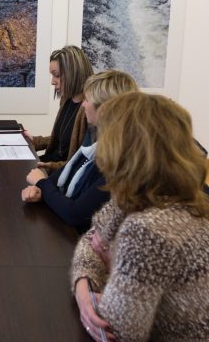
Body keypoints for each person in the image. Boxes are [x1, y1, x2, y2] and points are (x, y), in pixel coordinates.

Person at [71, 92, 209, 341]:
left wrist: (112, 261)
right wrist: (85, 289)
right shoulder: (150, 196)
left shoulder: (148, 230)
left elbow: (114, 330)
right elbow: (89, 243)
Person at [22, 71, 138, 233]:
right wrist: (42, 192)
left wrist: (42, 184)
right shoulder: (93, 137)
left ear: (104, 110)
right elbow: (57, 179)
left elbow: (75, 214)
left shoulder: (120, 159)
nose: (83, 105)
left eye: (88, 100)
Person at [24, 45, 93, 172]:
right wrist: (35, 140)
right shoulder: (66, 100)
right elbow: (63, 140)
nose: (52, 81)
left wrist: (48, 167)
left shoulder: (90, 110)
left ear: (74, 73)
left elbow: (81, 164)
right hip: (51, 165)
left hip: (60, 173)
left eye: (56, 75)